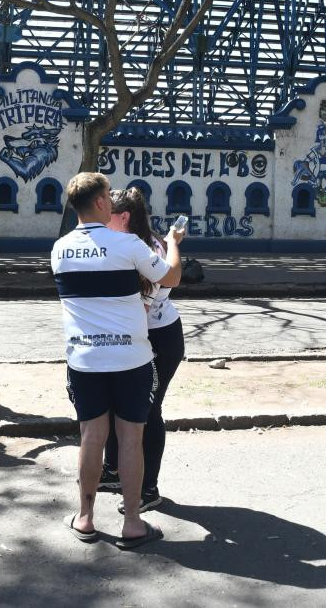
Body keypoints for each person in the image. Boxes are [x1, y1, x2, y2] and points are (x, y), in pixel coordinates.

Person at [51, 172, 184, 549]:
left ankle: (86, 517)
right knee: (130, 438)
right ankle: (132, 523)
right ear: (98, 203)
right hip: (131, 358)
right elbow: (171, 276)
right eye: (108, 194)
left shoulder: (59, 249)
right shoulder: (127, 245)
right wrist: (173, 243)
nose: (112, 200)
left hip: (85, 360)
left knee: (91, 437)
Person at [102, 187, 185, 513]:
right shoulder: (123, 243)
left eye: (106, 214)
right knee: (113, 405)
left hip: (157, 340)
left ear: (123, 218)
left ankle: (147, 489)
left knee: (147, 413)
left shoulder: (146, 250)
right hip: (131, 336)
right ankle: (114, 471)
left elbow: (140, 313)